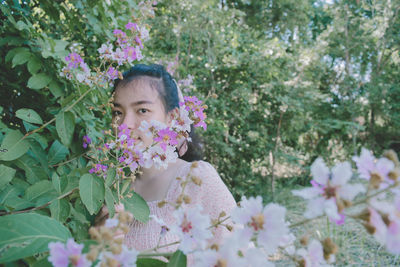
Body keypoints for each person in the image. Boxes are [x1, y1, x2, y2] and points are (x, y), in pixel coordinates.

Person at [98, 64, 237, 259]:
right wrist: (99, 241)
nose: (124, 125)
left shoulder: (197, 179)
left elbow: (239, 254)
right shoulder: (109, 184)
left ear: (172, 118)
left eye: (142, 110)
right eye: (118, 112)